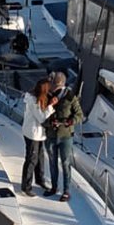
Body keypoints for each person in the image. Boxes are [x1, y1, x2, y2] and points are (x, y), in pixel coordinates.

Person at [45, 71, 85, 201]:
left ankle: (66, 191)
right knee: (52, 162)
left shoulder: (70, 97)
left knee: (65, 163)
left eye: (56, 85)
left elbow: (80, 115)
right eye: (53, 84)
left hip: (65, 136)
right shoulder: (47, 95)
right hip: (51, 134)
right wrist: (49, 122)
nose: (53, 88)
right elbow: (41, 113)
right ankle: (54, 187)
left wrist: (70, 121)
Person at [20, 79, 51, 196]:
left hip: (39, 134)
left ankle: (40, 180)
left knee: (40, 158)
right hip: (33, 134)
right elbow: (41, 118)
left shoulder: (38, 99)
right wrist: (51, 106)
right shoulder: (33, 101)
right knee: (31, 159)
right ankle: (26, 186)